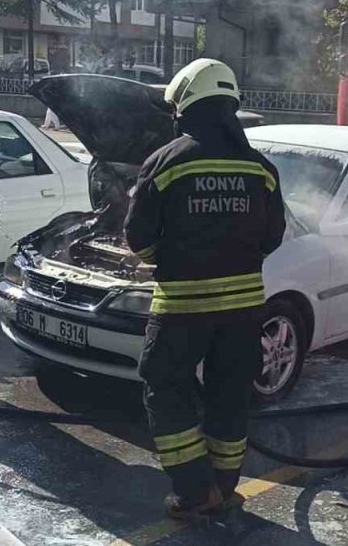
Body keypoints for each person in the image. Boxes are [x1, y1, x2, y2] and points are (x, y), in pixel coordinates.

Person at [125, 58, 286, 520]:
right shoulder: (260, 167)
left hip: (182, 307)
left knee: (165, 387)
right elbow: (273, 237)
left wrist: (167, 259)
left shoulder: (166, 162)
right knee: (229, 393)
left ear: (185, 105)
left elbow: (138, 238)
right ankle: (223, 487)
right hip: (244, 308)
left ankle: (194, 491)